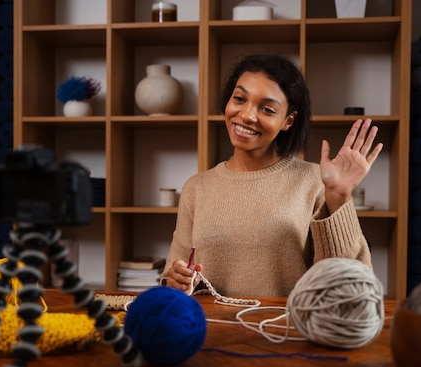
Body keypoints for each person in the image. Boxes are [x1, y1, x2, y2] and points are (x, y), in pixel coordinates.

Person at [161, 53, 383, 298]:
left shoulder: (315, 182)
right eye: (239, 99)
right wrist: (175, 280)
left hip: (285, 330)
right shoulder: (196, 187)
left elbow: (353, 288)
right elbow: (173, 275)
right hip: (208, 329)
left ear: (288, 121)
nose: (246, 115)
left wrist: (338, 197)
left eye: (266, 109)